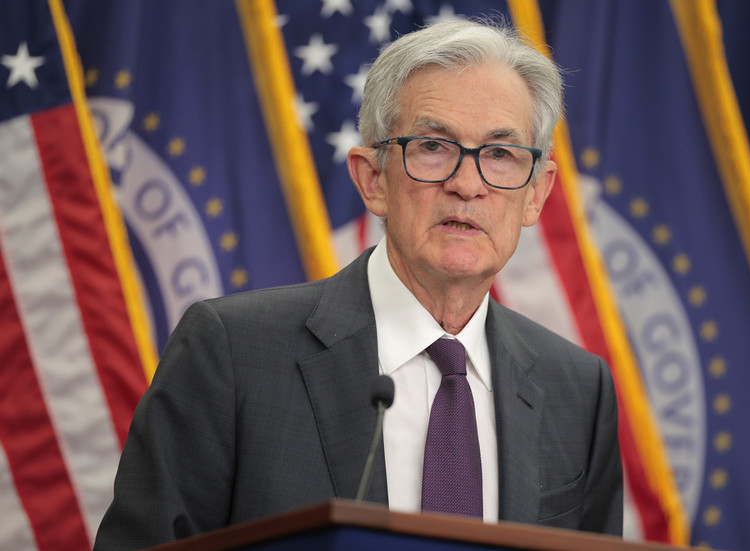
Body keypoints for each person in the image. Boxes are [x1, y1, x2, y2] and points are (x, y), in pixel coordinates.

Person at [94, 18, 622, 548]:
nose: (467, 184)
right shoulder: (232, 353)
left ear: (536, 193)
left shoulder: (579, 389)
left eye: (500, 154)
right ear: (373, 179)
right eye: (433, 147)